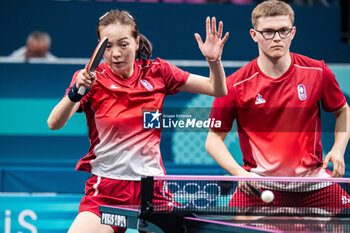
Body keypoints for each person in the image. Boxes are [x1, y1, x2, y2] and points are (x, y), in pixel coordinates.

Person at [47, 9, 229, 233]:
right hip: (107, 190)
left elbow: (217, 89)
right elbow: (54, 123)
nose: (115, 54)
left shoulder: (159, 72)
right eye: (108, 46)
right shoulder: (90, 79)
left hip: (152, 190)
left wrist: (214, 60)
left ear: (136, 42)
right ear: (99, 48)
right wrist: (77, 91)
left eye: (123, 44)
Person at [205, 0, 350, 212]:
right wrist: (239, 173)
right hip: (258, 186)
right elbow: (213, 139)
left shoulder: (317, 71)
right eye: (268, 32)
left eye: (283, 31)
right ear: (254, 35)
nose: (277, 38)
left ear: (293, 32)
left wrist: (338, 150)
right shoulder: (234, 85)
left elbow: (343, 110)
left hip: (315, 185)